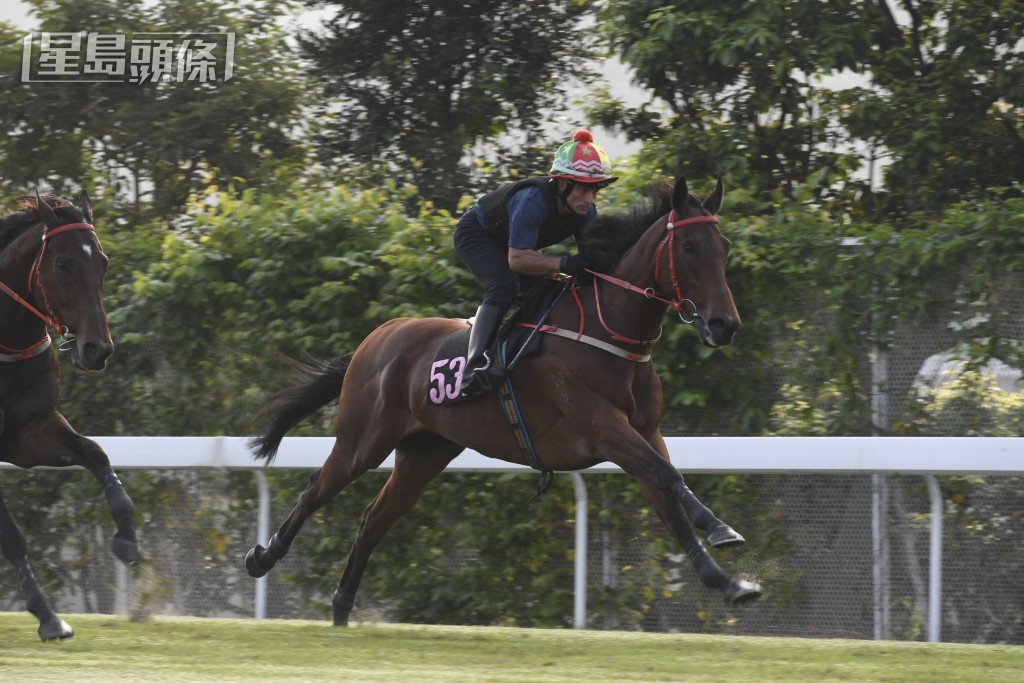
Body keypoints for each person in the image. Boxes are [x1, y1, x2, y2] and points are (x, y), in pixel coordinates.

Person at [453, 128, 619, 395]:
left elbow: (595, 263)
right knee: (504, 286)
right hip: (478, 235)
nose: (589, 199)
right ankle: (473, 368)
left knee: (549, 291)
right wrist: (566, 264)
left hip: (516, 247)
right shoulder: (532, 200)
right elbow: (517, 259)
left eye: (595, 191)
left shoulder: (586, 211)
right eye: (583, 190)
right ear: (563, 184)